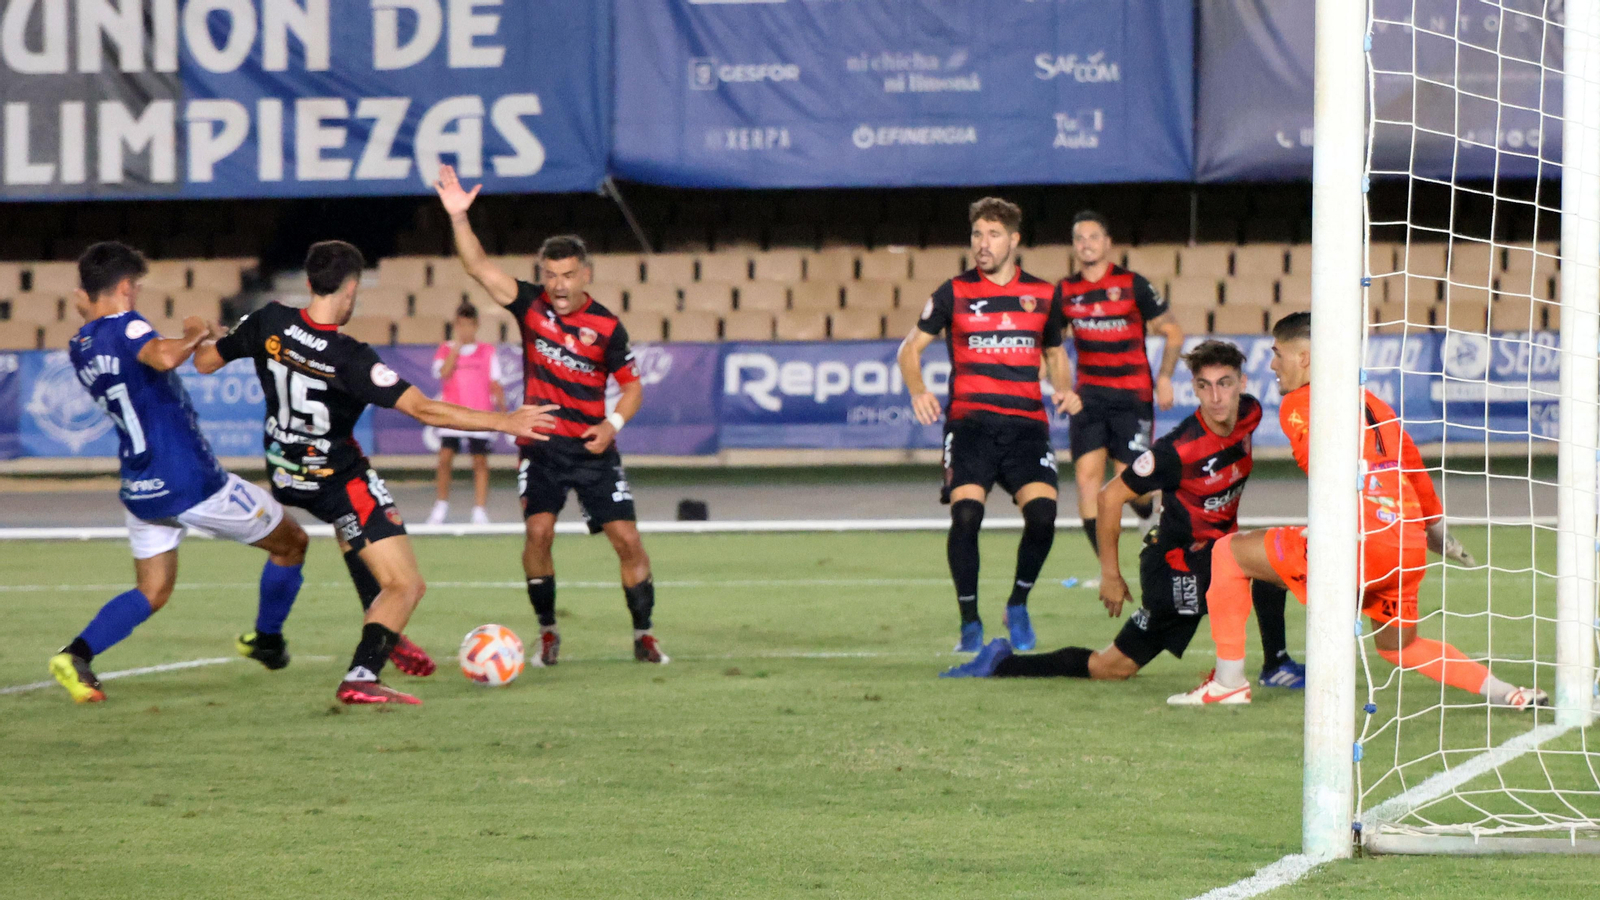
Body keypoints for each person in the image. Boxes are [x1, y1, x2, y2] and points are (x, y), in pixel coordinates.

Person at [194, 240, 557, 705]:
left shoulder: (269, 320)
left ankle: (381, 623)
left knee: (354, 535)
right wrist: (504, 421)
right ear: (350, 290)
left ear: (309, 283)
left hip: (287, 476)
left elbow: (204, 362)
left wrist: (207, 335)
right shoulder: (350, 357)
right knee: (406, 585)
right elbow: (425, 409)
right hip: (337, 478)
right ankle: (363, 673)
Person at [1172, 311, 1547, 708]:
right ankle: (1510, 693)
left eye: (1277, 353)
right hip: (1407, 546)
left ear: (1304, 358)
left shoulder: (1300, 403)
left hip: (1360, 545)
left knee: (1228, 553)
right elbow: (1418, 479)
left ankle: (1229, 682)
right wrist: (1442, 540)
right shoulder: (1375, 404)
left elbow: (1326, 470)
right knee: (1399, 647)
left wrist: (1330, 533)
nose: (1272, 364)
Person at [942, 341, 1300, 682]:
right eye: (1205, 386)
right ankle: (1274, 666)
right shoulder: (1177, 449)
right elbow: (1108, 497)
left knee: (1111, 666)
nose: (1217, 397)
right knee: (1268, 560)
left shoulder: (1250, 412)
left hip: (1213, 554)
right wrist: (1110, 574)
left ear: (1243, 383)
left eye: (1225, 384)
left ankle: (1276, 664)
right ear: (1194, 388)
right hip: (1176, 565)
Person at [49, 241, 311, 703]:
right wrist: (193, 331)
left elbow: (131, 350)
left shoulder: (81, 345)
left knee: (152, 590)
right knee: (292, 544)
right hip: (191, 480)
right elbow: (165, 357)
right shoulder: (126, 323)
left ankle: (76, 654)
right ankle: (267, 639)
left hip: (141, 485)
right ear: (128, 287)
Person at [434, 164, 668, 667]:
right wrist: (458, 218)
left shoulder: (607, 327)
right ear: (543, 276)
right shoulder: (529, 304)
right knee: (538, 534)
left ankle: (644, 634)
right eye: (551, 276)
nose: (559, 286)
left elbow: (632, 388)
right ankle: (547, 631)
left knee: (627, 540)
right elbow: (477, 266)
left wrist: (613, 425)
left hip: (591, 446)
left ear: (586, 275)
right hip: (540, 444)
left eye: (568, 276)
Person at [898, 196, 1080, 654]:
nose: (983, 243)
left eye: (993, 235)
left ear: (1014, 241)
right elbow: (909, 349)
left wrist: (1065, 388)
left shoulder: (1042, 294)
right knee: (966, 515)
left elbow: (1056, 353)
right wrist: (919, 390)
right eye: (977, 234)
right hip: (971, 425)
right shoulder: (953, 292)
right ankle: (969, 622)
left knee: (1043, 517)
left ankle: (1017, 603)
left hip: (1025, 427)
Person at [1057, 212, 1184, 561]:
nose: (1086, 244)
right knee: (1087, 479)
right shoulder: (1066, 292)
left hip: (1132, 398)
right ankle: (1107, 568)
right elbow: (1051, 347)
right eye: (1079, 238)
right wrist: (1061, 386)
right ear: (1074, 246)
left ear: (1107, 243)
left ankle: (1148, 520)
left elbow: (1172, 332)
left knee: (1134, 485)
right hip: (1088, 399)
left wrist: (1164, 377)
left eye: (1093, 237)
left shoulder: (1133, 285)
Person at [426, 301, 506, 526]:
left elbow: (495, 384)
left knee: (480, 462)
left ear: (477, 325)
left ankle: (479, 510)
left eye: (469, 325)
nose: (465, 330)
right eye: (461, 325)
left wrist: (504, 415)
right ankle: (441, 507)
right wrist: (456, 349)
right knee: (444, 459)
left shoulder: (487, 351)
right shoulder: (445, 349)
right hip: (451, 415)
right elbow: (442, 373)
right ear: (455, 325)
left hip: (479, 414)